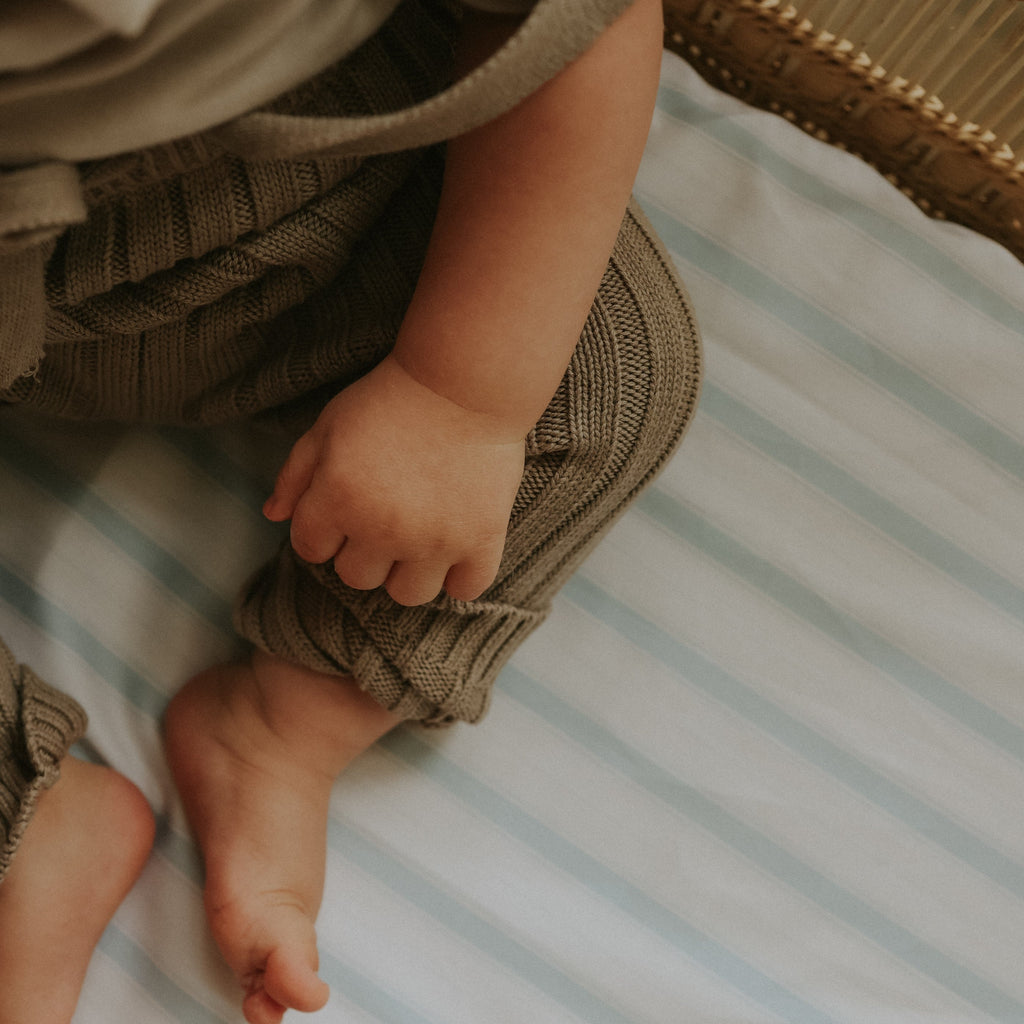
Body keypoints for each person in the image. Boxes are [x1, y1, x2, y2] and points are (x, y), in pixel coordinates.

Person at [0, 0, 701, 1020]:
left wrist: (460, 397)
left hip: (267, 190)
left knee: (603, 360)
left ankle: (281, 726)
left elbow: (578, 20)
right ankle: (29, 815)